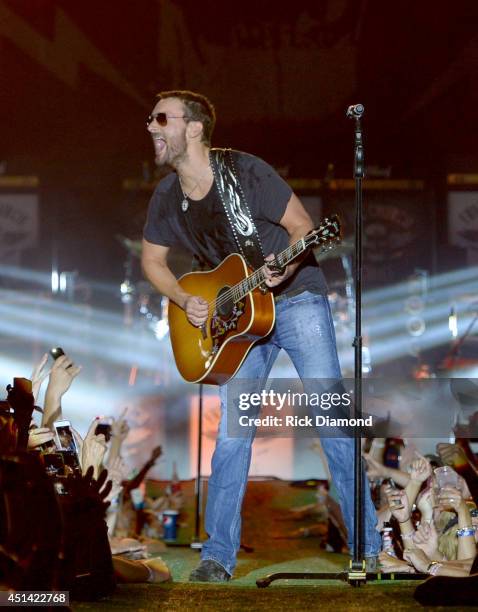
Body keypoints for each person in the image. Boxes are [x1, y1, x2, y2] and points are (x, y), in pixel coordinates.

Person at [141, 89, 381, 581]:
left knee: (333, 425)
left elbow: (303, 227)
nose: (150, 126)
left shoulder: (246, 171)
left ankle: (369, 548)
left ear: (193, 128)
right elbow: (152, 261)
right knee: (231, 438)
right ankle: (217, 558)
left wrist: (286, 264)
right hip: (239, 324)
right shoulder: (167, 196)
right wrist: (185, 299)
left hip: (296, 302)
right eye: (150, 118)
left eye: (161, 118)